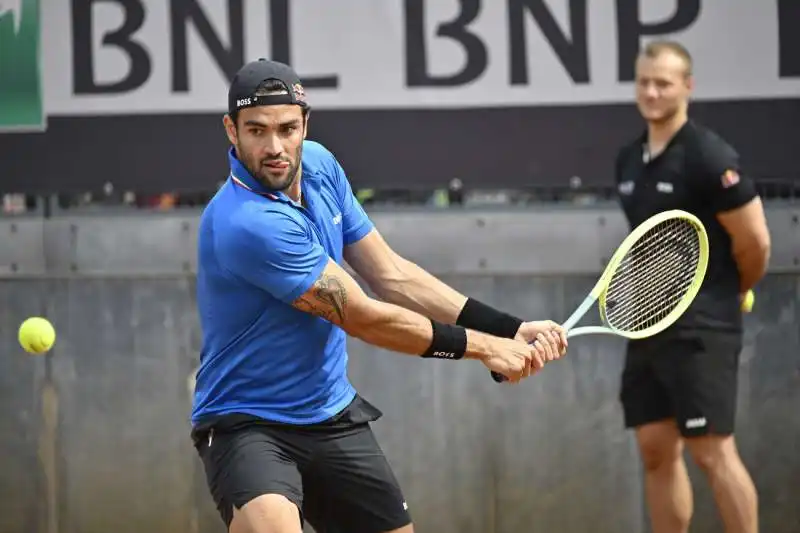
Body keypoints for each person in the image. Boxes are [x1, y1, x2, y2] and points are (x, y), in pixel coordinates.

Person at [190, 58, 568, 533]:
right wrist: (488, 349)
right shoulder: (246, 223)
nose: (275, 147)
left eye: (288, 129)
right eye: (257, 131)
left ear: (306, 123)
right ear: (232, 130)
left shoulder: (321, 166)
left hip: (329, 411)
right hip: (247, 423)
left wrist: (508, 329)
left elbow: (391, 275)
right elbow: (363, 316)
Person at [614, 41, 771, 533]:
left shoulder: (710, 156)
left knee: (712, 452)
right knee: (656, 450)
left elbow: (755, 244)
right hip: (645, 324)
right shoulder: (628, 159)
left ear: (687, 86)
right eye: (644, 82)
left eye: (663, 81)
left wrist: (723, 297)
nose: (652, 91)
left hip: (704, 327)